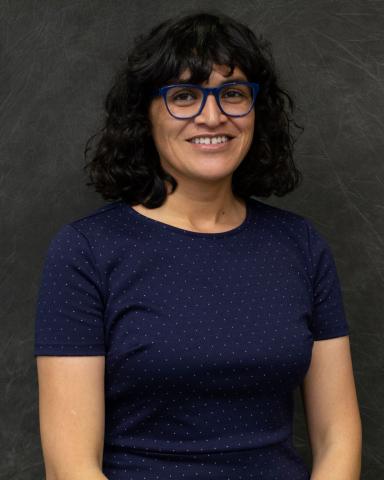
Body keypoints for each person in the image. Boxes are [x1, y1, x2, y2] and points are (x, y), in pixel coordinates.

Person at [34, 10, 362, 480]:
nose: (213, 116)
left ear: (256, 111)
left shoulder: (300, 245)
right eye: (184, 96)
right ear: (144, 115)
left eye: (232, 94)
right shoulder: (87, 251)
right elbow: (71, 467)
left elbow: (338, 437)